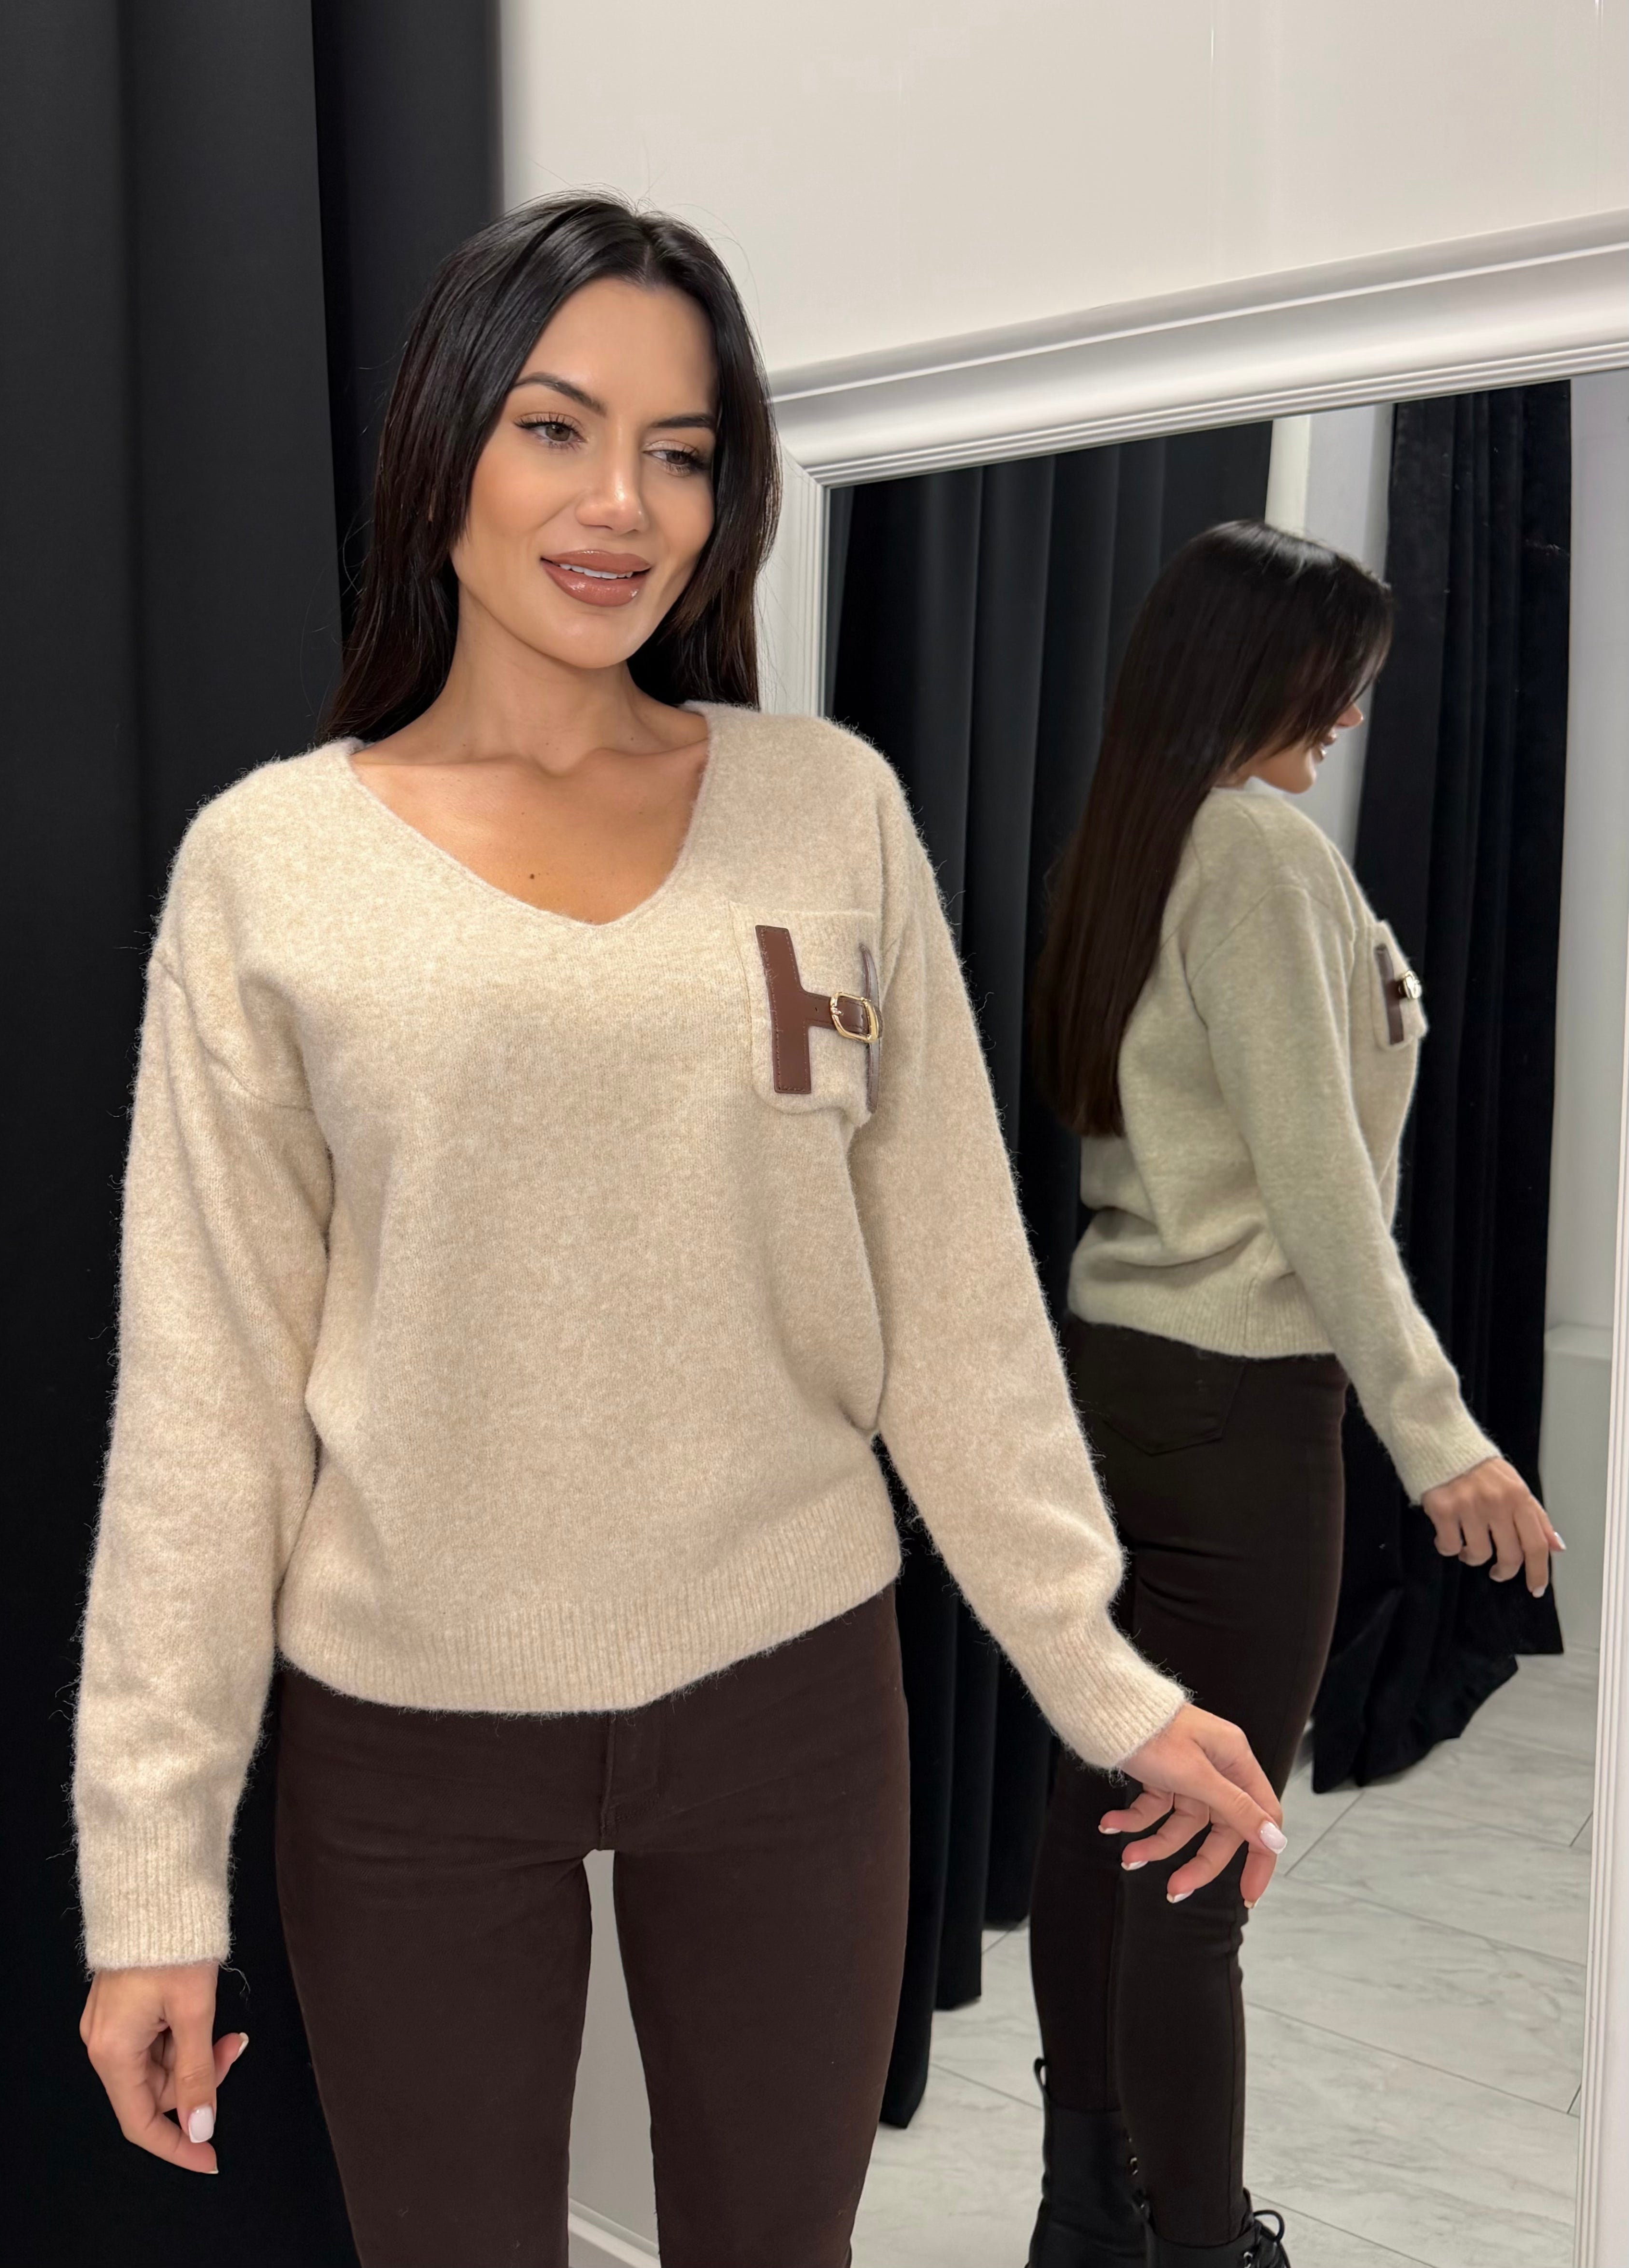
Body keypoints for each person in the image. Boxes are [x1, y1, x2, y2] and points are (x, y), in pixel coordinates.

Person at [72, 198, 1286, 2268]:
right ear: (444, 450)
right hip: (408, 1733)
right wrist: (152, 1880)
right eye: (555, 428)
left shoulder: (829, 812)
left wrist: (1100, 1673)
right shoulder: (267, 870)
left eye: (683, 451)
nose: (621, 504)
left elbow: (955, 1312)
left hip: (793, 1699)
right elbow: (205, 1415)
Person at [1021, 520, 1565, 2268]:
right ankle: (1198, 2244)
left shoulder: (1135, 837)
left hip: (1118, 1379)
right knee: (1203, 1846)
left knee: (1112, 1808)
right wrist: (1438, 1433)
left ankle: (1086, 2214)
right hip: (1237, 1404)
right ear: (1260, 668)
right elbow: (1320, 1181)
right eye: (1337, 677)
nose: (1349, 712)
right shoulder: (1254, 852)